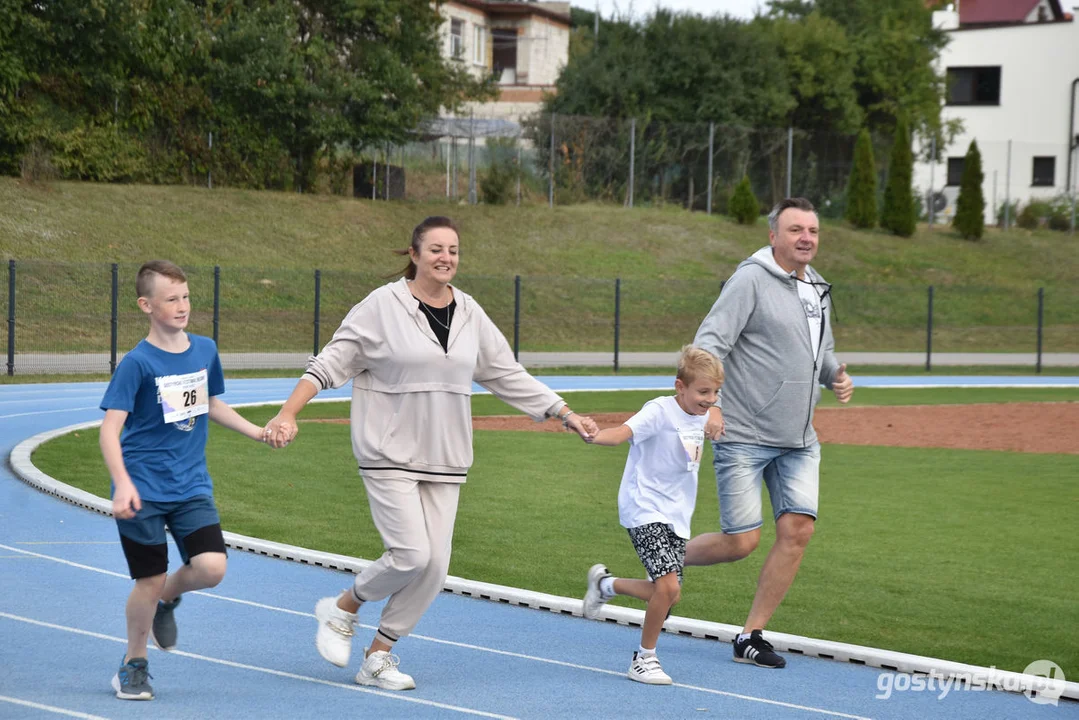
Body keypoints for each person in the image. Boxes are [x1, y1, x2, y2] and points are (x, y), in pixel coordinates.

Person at [264, 216, 599, 691]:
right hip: (388, 450)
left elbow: (505, 373)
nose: (446, 258)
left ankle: (378, 655)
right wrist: (288, 413)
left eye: (454, 250)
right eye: (436, 249)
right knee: (410, 554)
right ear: (414, 254)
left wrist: (563, 412)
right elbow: (330, 361)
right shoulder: (382, 305)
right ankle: (344, 607)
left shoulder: (470, 313)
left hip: (446, 457)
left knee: (435, 567)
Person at [688, 197, 854, 670]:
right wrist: (711, 404)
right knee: (740, 542)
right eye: (796, 229)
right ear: (773, 236)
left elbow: (819, 350)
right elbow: (709, 343)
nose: (807, 238)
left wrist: (834, 374)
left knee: (797, 530)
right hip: (743, 432)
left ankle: (751, 635)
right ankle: (665, 558)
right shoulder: (750, 280)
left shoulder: (818, 286)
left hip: (799, 439)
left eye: (813, 231)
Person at [99, 260, 272, 700]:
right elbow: (109, 430)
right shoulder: (137, 364)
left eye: (186, 297)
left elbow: (211, 404)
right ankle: (133, 662)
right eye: (171, 298)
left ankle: (166, 601)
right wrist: (122, 483)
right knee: (148, 578)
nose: (182, 306)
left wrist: (258, 432)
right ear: (146, 304)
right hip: (143, 489)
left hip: (191, 484)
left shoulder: (205, 351)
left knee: (212, 568)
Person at [581, 345, 724, 685]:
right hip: (643, 506)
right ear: (680, 387)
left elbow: (713, 414)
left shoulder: (706, 413)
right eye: (704, 392)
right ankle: (643, 658)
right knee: (667, 585)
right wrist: (596, 435)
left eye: (716, 392)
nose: (710, 398)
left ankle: (605, 584)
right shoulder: (659, 411)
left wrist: (715, 412)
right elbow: (622, 434)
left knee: (669, 594)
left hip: (677, 513)